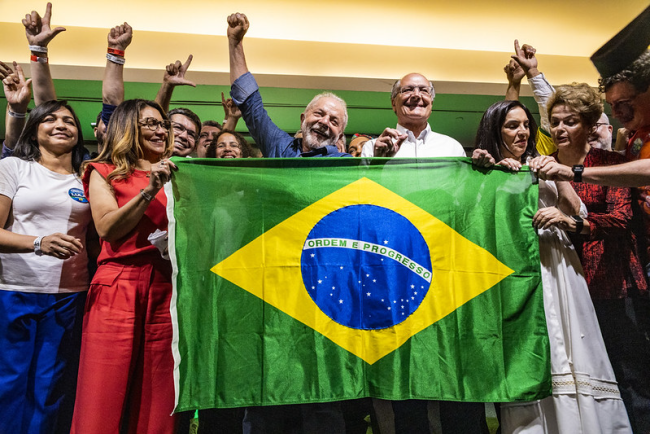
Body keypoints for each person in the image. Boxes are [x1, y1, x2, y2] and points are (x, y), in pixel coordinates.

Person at [473, 99, 632, 433]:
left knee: (572, 344)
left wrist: (556, 176)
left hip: (556, 263)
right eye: (511, 125)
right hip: (515, 270)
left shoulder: (540, 162)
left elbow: (577, 211)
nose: (522, 132)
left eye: (525, 125)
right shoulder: (487, 170)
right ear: (494, 130)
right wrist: (489, 174)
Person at [71, 99, 178, 434]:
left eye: (163, 124)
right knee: (103, 391)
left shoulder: (181, 172)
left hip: (167, 288)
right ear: (128, 127)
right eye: (150, 123)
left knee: (158, 397)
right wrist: (149, 190)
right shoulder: (102, 171)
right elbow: (106, 228)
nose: (160, 130)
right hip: (118, 287)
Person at [0, 100, 91, 434]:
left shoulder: (89, 176)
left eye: (69, 120)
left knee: (50, 387)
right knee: (8, 384)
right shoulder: (13, 168)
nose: (61, 124)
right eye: (49, 119)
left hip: (69, 294)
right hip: (15, 290)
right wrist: (39, 242)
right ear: (34, 129)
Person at [228, 13, 349, 158]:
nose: (324, 122)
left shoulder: (346, 164)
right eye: (319, 113)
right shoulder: (280, 146)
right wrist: (235, 42)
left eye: (334, 121)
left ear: (340, 135)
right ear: (303, 119)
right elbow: (250, 104)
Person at [360, 73, 465, 158]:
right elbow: (365, 184)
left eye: (424, 90)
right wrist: (379, 163)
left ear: (431, 103)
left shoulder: (452, 148)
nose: (416, 95)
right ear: (393, 103)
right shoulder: (373, 148)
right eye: (407, 90)